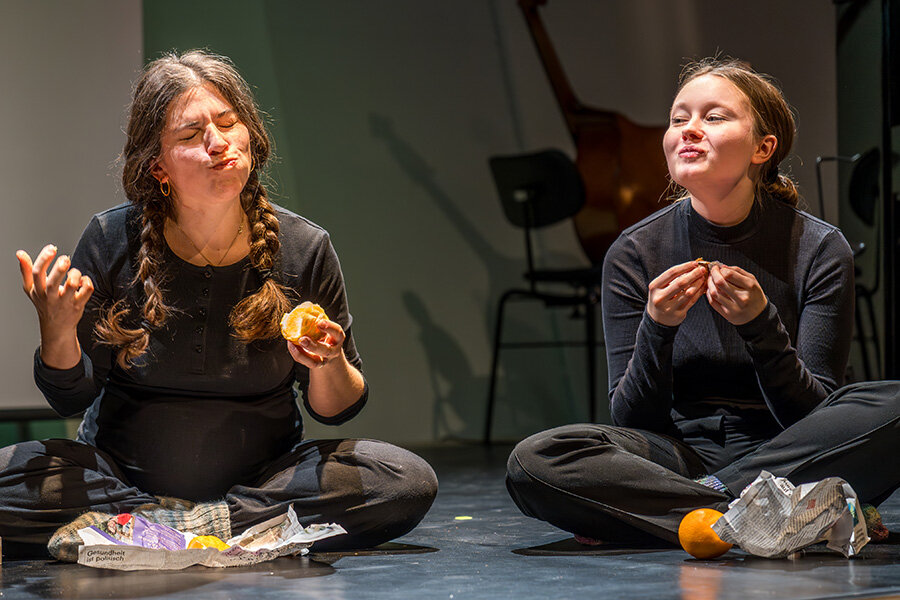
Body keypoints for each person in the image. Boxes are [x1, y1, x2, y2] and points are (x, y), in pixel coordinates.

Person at [0, 50, 437, 560]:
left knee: (403, 479)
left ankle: (166, 527)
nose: (218, 142)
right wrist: (57, 330)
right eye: (191, 135)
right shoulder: (111, 238)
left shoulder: (304, 247)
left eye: (229, 124)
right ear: (157, 165)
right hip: (120, 480)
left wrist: (328, 361)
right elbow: (70, 399)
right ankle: (179, 522)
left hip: (263, 486)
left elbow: (337, 410)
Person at [506, 57, 899, 546]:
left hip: (792, 451)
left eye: (713, 117)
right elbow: (633, 419)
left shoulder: (818, 248)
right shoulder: (634, 252)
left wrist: (761, 326)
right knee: (536, 460)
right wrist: (658, 326)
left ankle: (696, 507)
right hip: (678, 455)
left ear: (763, 147)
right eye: (678, 119)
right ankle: (769, 513)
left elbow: (813, 416)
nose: (688, 130)